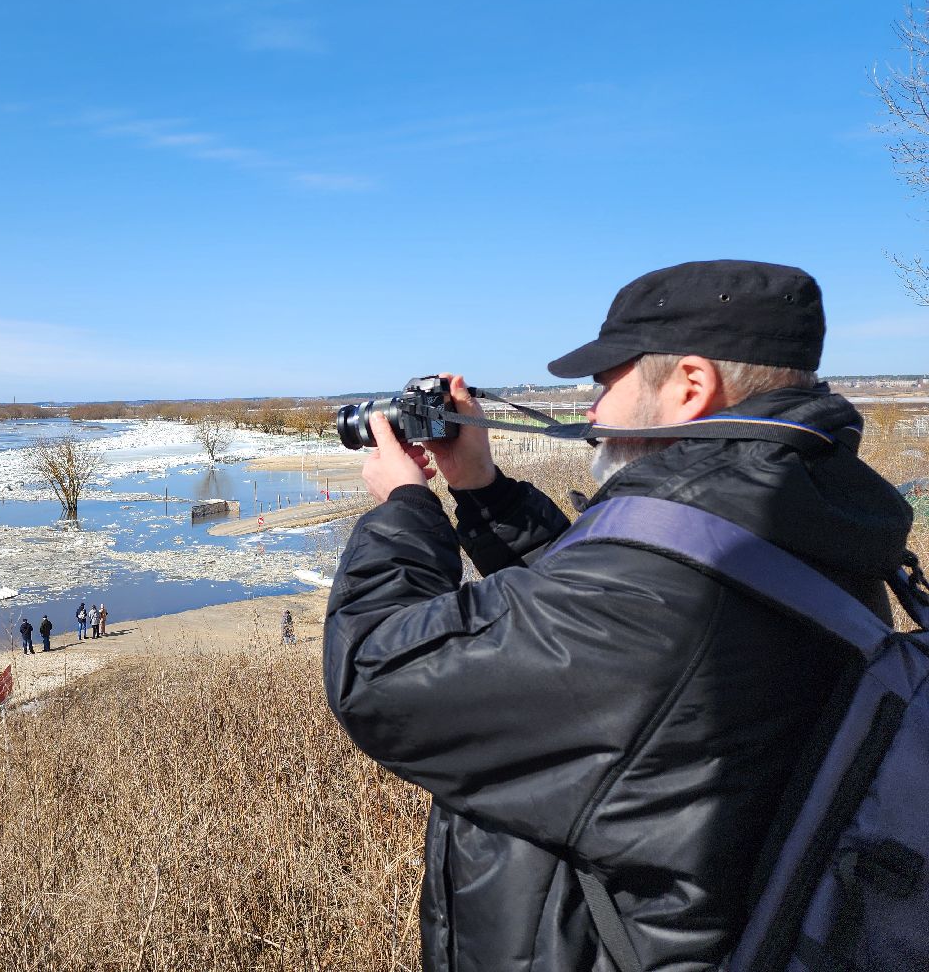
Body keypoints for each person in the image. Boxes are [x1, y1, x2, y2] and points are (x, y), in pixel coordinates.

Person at [322, 260, 914, 972]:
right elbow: (590, 610)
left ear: (691, 387)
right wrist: (482, 491)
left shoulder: (668, 590)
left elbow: (381, 676)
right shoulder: (800, 516)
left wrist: (403, 507)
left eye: (607, 382)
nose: (593, 409)